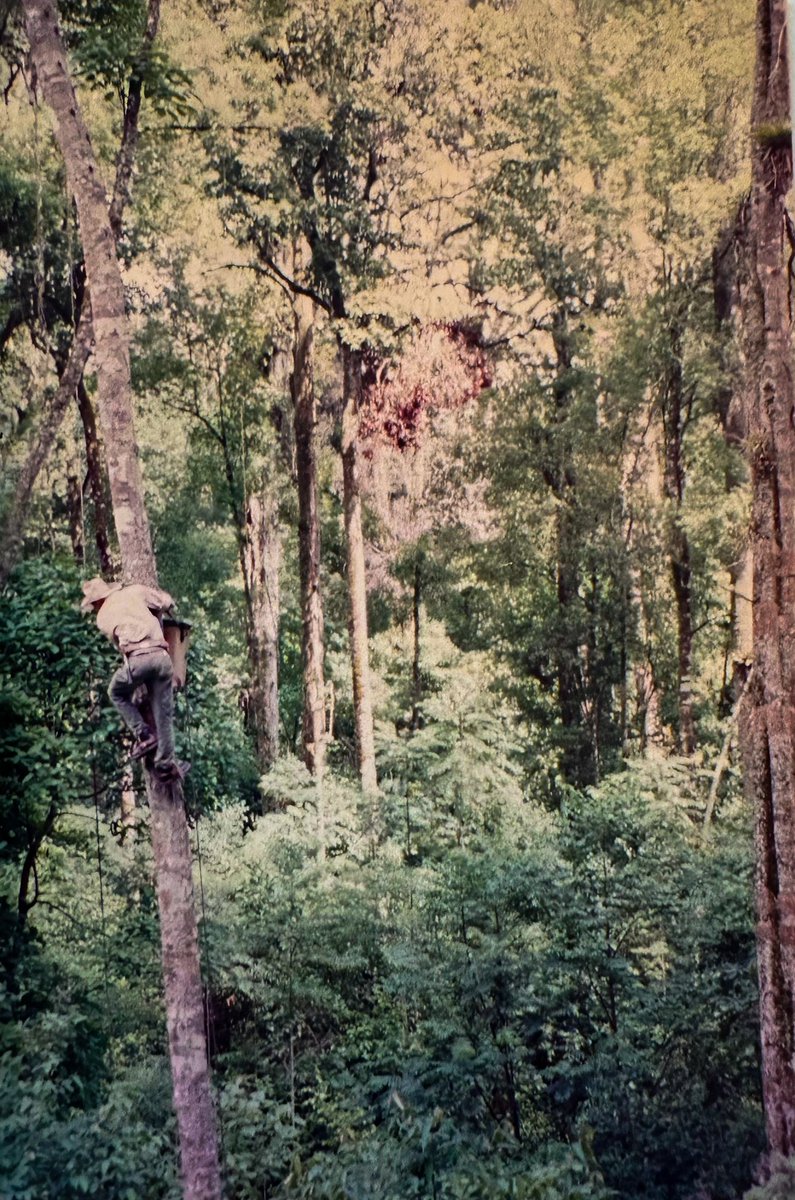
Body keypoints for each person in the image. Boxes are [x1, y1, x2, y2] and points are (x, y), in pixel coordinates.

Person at [81, 577, 188, 782]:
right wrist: (163, 608)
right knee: (163, 713)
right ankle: (165, 763)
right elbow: (165, 601)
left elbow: (121, 644)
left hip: (139, 660)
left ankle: (144, 734)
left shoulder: (102, 618)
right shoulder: (135, 591)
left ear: (97, 602)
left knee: (116, 692)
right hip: (163, 658)